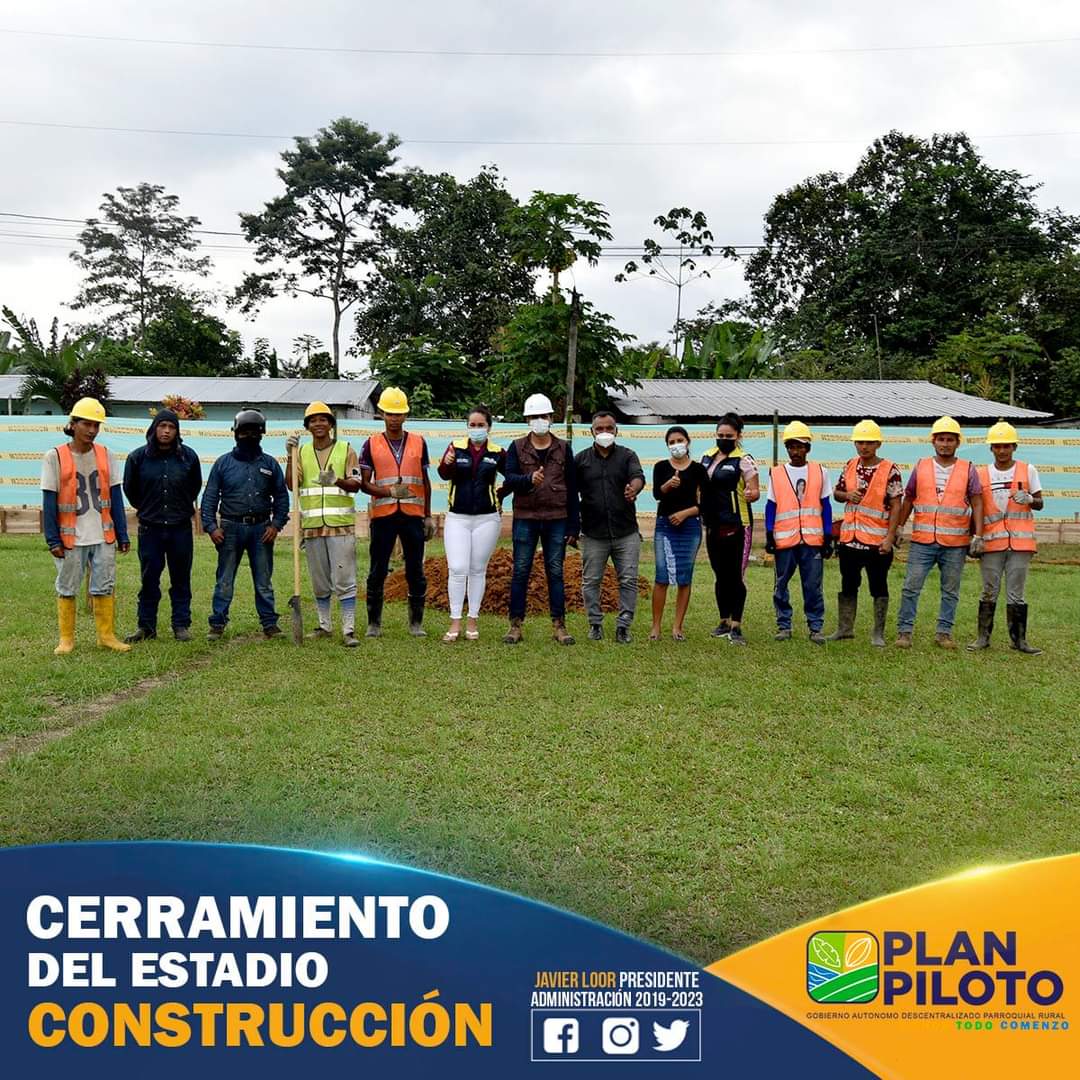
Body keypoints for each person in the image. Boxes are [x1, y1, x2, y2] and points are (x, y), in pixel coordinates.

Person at [41, 397, 131, 654]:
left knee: (104, 585)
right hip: (71, 536)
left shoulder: (106, 455)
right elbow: (49, 500)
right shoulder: (55, 456)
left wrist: (123, 533)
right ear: (73, 424)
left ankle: (106, 636)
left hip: (103, 533)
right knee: (67, 587)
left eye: (96, 425)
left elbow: (115, 496)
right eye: (86, 424)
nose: (92, 430)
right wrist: (52, 539)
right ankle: (66, 639)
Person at [895, 416, 984, 649]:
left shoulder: (968, 469)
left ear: (957, 443)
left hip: (955, 543)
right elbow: (909, 498)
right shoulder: (921, 466)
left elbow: (977, 502)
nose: (945, 444)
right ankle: (904, 632)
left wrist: (978, 535)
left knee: (950, 591)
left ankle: (944, 633)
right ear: (933, 441)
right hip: (922, 541)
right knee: (911, 587)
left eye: (950, 440)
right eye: (941, 439)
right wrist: (899, 526)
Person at [200, 409, 290, 640]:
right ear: (235, 433)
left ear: (262, 434)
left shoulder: (270, 464)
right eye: (244, 432)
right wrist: (211, 527)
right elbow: (210, 497)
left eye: (254, 432)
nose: (249, 436)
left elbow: (281, 497)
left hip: (262, 530)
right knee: (224, 580)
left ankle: (269, 624)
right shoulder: (223, 464)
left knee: (264, 581)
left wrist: (276, 525)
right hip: (229, 529)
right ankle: (217, 624)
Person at [501, 392, 579, 645]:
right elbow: (509, 478)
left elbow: (572, 487)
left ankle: (559, 626)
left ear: (551, 418)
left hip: (557, 518)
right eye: (534, 417)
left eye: (543, 416)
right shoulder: (516, 447)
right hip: (526, 516)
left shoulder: (563, 448)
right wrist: (528, 479)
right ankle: (515, 625)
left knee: (555, 571)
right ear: (527, 420)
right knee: (521, 570)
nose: (539, 421)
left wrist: (574, 525)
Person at [359, 387, 435, 638]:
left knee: (415, 570)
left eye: (398, 413)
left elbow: (425, 481)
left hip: (413, 515)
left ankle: (416, 623)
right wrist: (388, 491)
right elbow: (364, 484)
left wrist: (428, 515)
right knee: (377, 570)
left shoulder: (418, 442)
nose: (394, 418)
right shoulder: (371, 444)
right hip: (384, 516)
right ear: (382, 413)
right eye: (390, 413)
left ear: (405, 415)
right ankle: (374, 624)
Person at [121, 408, 202, 643]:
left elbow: (194, 487)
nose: (166, 431)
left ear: (177, 431)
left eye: (171, 427)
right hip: (150, 529)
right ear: (154, 429)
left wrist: (178, 507)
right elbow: (130, 489)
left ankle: (181, 625)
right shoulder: (137, 458)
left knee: (181, 579)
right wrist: (148, 508)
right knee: (149, 579)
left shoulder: (189, 457)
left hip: (180, 528)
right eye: (162, 426)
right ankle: (146, 627)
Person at [285, 401, 362, 647]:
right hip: (313, 527)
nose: (318, 424)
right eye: (313, 420)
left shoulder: (345, 449)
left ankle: (348, 630)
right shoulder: (302, 452)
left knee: (344, 579)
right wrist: (290, 455)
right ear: (307, 426)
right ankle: (324, 626)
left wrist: (336, 480)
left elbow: (356, 484)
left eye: (323, 419)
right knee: (319, 581)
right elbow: (291, 484)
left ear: (331, 424)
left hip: (340, 526)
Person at [967, 422, 1043, 655]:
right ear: (991, 448)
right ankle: (983, 638)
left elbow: (1040, 503)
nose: (1002, 450)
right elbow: (976, 508)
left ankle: (1019, 641)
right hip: (991, 543)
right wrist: (974, 537)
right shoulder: (980, 474)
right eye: (997, 446)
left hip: (1020, 544)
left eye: (1006, 446)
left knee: (1016, 593)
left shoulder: (1028, 470)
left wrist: (1030, 499)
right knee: (989, 590)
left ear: (1014, 447)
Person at [827, 420, 903, 647]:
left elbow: (896, 505)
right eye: (860, 442)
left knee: (878, 586)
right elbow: (837, 493)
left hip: (877, 541)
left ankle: (878, 633)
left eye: (869, 442)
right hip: (850, 540)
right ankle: (845, 629)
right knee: (848, 584)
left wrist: (890, 537)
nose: (864, 446)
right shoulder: (850, 465)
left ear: (878, 444)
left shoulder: (890, 469)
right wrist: (847, 495)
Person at [436, 406, 507, 642]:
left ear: (489, 427)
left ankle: (473, 619)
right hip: (458, 517)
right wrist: (447, 463)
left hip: (487, 519)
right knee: (457, 568)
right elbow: (443, 474)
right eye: (472, 425)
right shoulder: (455, 447)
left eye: (481, 425)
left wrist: (500, 495)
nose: (476, 429)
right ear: (467, 427)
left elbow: (513, 476)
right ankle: (455, 620)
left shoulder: (498, 452)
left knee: (478, 569)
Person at [575, 412, 645, 644]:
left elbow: (638, 476)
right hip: (593, 532)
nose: (604, 432)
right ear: (591, 432)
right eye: (599, 428)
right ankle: (595, 624)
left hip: (626, 531)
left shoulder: (628, 455)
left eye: (609, 428)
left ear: (616, 431)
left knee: (628, 580)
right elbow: (570, 492)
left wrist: (634, 488)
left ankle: (624, 625)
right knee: (591, 580)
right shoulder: (581, 460)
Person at [765, 421, 833, 644]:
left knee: (813, 585)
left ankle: (815, 627)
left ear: (808, 448)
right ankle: (784, 625)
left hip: (812, 541)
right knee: (781, 584)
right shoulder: (776, 473)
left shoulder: (820, 472)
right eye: (791, 447)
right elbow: (771, 505)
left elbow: (826, 505)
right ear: (787, 448)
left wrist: (828, 536)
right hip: (785, 540)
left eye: (800, 447)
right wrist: (769, 534)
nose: (795, 451)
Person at [701, 413, 760, 644]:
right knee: (720, 575)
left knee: (735, 576)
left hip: (738, 525)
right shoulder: (707, 457)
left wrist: (751, 494)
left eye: (729, 436)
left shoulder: (744, 460)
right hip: (712, 525)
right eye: (720, 435)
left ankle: (736, 625)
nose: (724, 439)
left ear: (738, 436)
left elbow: (754, 490)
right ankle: (723, 621)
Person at [651, 426, 707, 641]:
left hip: (690, 527)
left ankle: (677, 627)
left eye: (679, 440)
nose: (676, 445)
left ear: (688, 441)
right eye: (672, 442)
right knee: (661, 577)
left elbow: (707, 502)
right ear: (667, 445)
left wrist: (686, 513)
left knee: (684, 578)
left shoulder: (698, 470)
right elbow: (657, 494)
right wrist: (667, 485)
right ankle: (656, 627)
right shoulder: (660, 467)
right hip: (665, 526)